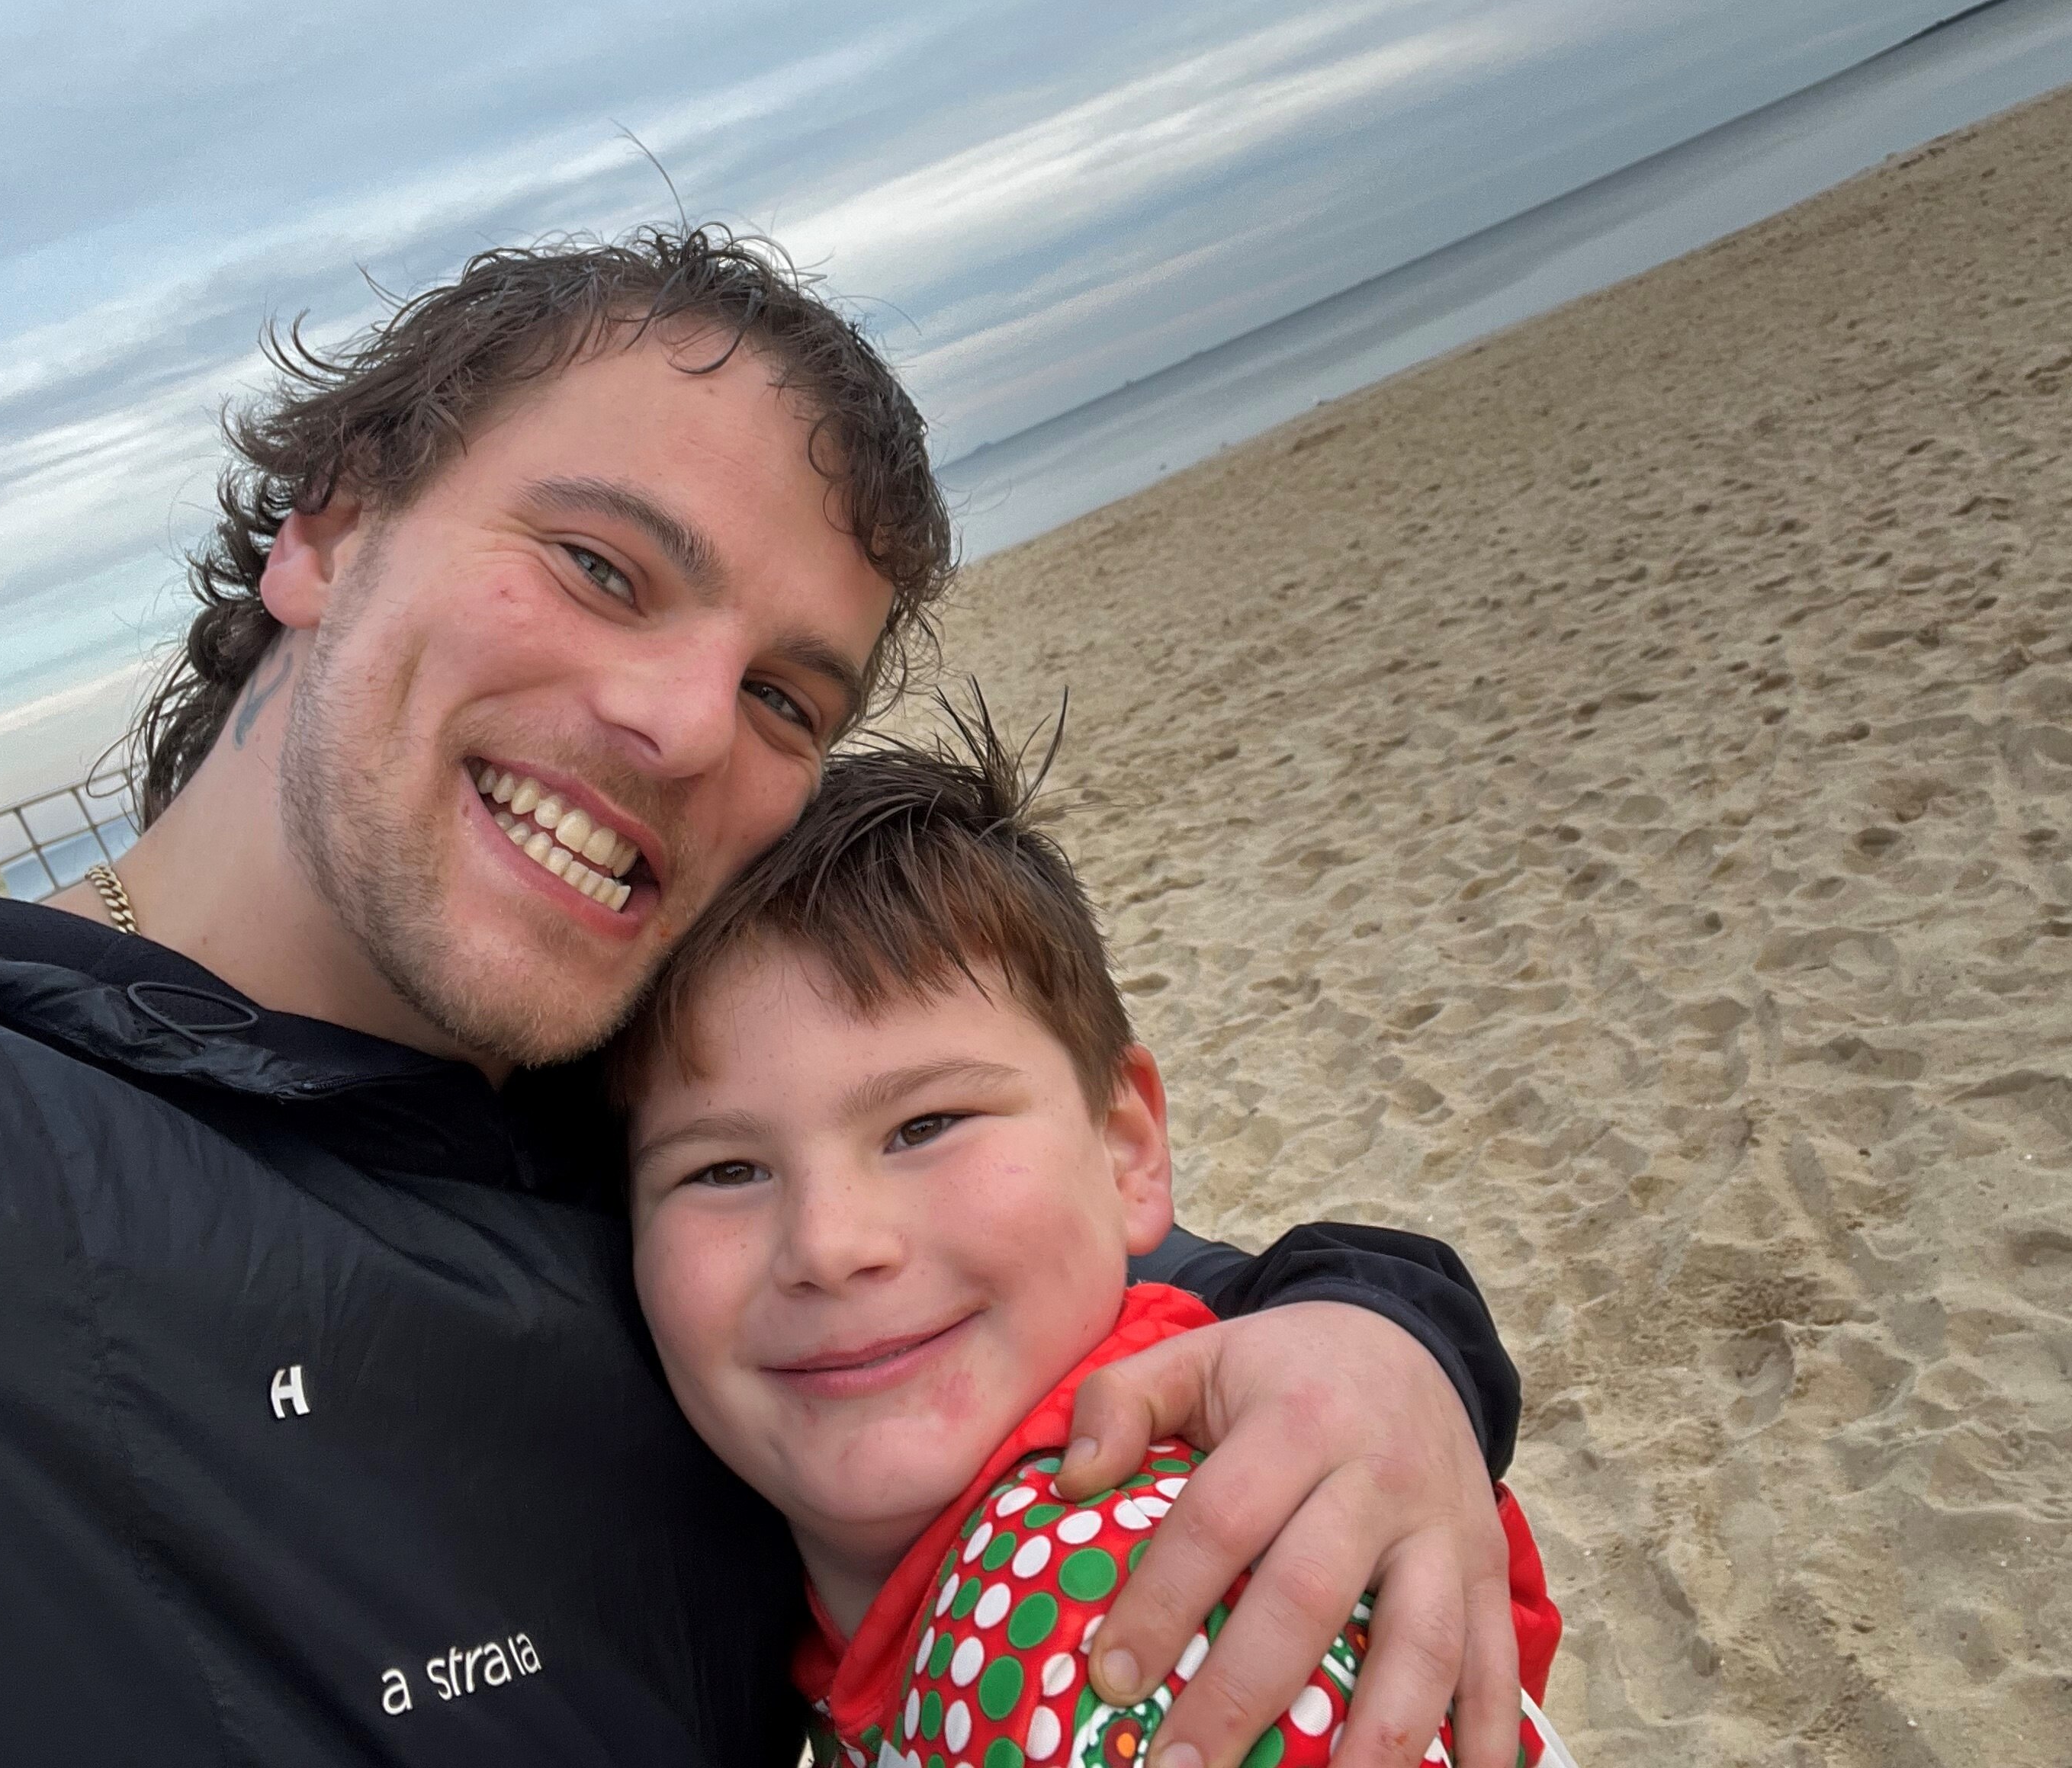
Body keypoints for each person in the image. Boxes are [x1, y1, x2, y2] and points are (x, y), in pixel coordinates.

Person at [0, 231, 1528, 1768]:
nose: (683, 726)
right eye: (600, 565)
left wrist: (1383, 1325)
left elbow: (1098, 1271)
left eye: (786, 696)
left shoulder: (645, 1101)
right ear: (324, 530)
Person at [611, 707, 1579, 1768]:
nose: (831, 1243)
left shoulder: (1094, 1625)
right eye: (724, 1170)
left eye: (925, 1126)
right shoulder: (869, 1599)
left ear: (1125, 1150)